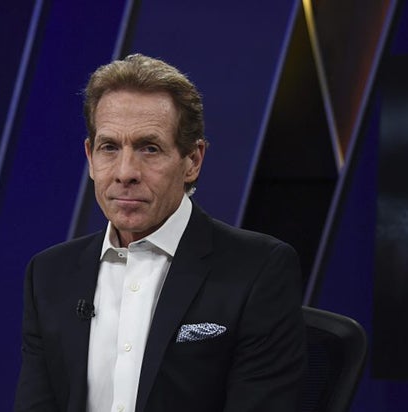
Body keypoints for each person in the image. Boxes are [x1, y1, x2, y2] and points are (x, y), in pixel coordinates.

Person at [15, 54, 305, 412]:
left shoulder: (258, 270)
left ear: (192, 160)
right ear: (90, 157)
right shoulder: (49, 275)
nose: (125, 172)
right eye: (109, 148)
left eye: (149, 149)